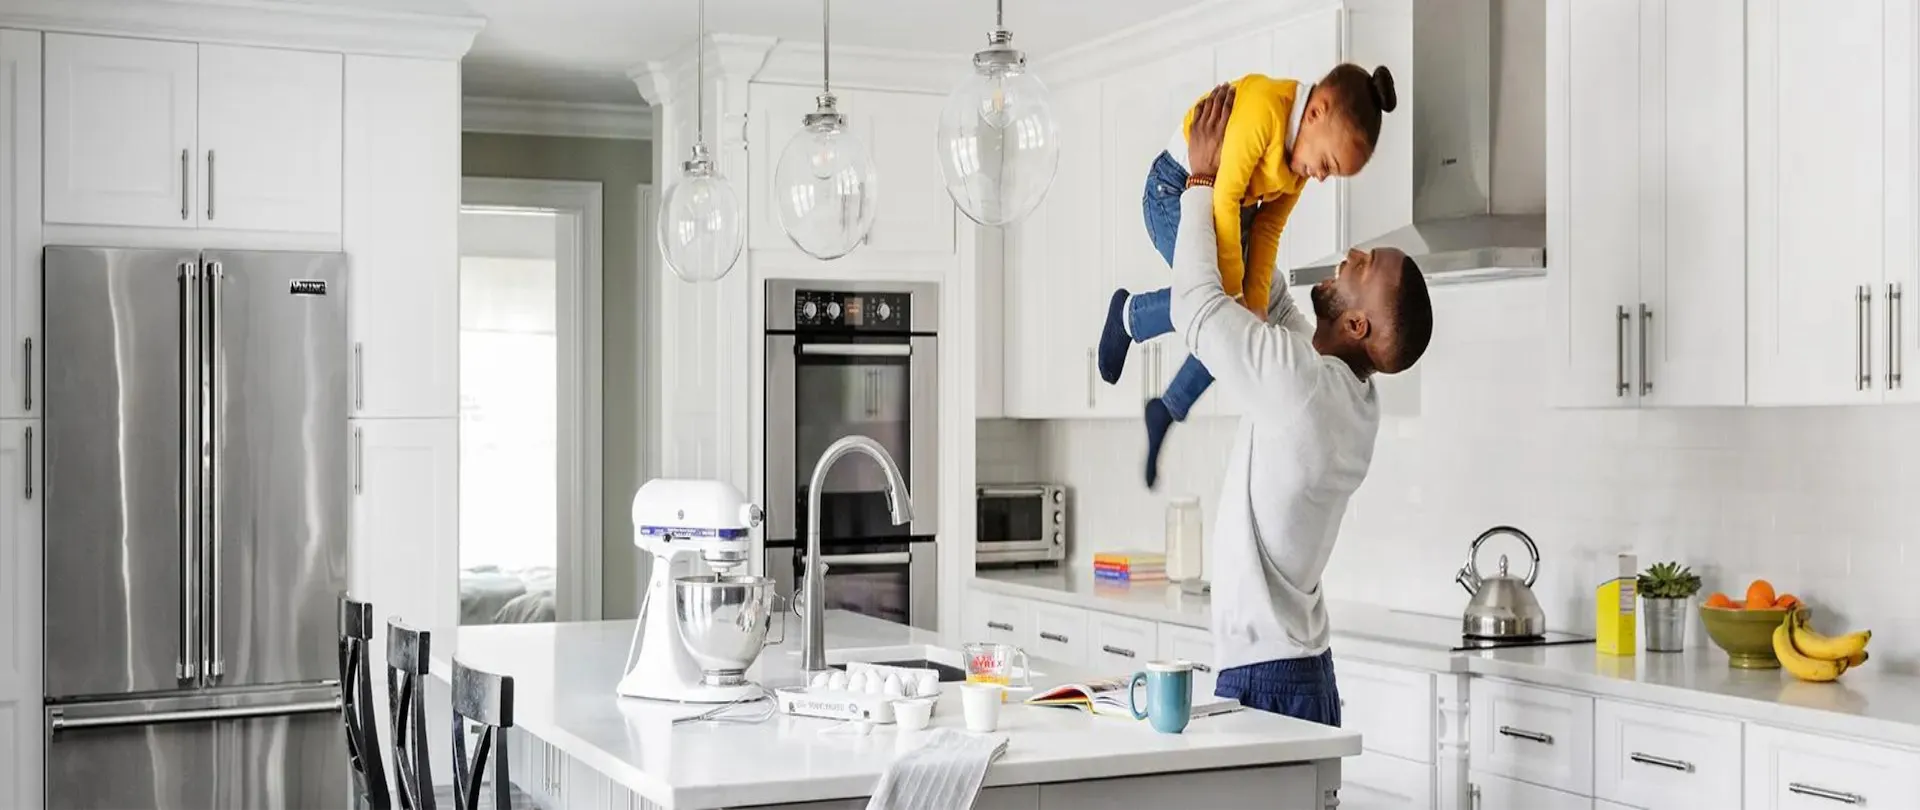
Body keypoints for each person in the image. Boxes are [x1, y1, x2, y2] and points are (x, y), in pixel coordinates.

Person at [1170, 84, 1433, 725]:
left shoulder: (1307, 388)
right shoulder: (1347, 394)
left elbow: (1196, 309)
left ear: (1359, 327)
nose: (1350, 255)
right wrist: (1256, 187)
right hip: (1293, 672)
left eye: (1363, 267)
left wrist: (1202, 179)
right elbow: (1273, 306)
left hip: (1270, 679)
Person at [1096, 64, 1399, 488]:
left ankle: (1167, 408)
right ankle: (1128, 314)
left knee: (1232, 331)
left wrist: (1253, 305)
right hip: (1176, 187)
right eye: (1327, 163)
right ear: (1316, 112)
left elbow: (1268, 229)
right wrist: (1236, 296)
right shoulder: (1264, 111)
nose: (1322, 176)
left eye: (1332, 173)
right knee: (1210, 307)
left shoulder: (1297, 167)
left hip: (1227, 208)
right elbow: (1224, 196)